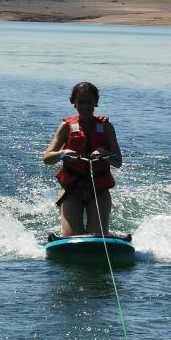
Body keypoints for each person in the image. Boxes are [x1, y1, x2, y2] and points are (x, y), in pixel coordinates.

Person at [43, 81, 123, 238]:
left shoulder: (106, 127)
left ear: (96, 103)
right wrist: (62, 153)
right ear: (73, 103)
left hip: (99, 189)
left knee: (96, 236)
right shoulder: (66, 126)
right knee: (71, 236)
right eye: (81, 102)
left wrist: (105, 154)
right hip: (71, 188)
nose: (85, 106)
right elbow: (47, 158)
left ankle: (107, 236)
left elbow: (118, 162)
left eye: (89, 102)